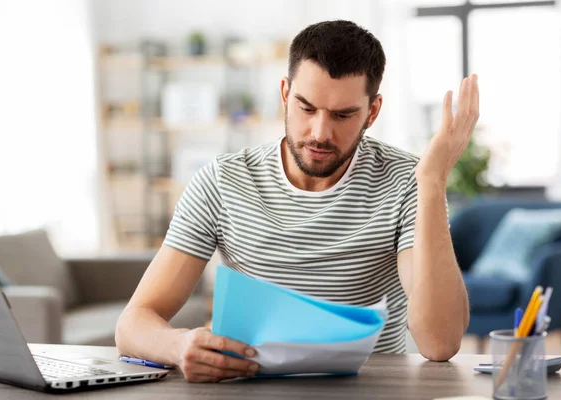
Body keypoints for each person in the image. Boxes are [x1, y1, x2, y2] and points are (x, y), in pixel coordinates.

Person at [116, 20, 477, 383]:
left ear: (372, 111)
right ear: (286, 93)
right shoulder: (222, 182)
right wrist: (177, 345)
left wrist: (432, 182)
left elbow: (439, 343)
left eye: (342, 115)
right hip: (250, 388)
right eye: (306, 108)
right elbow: (133, 323)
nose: (320, 133)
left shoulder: (407, 180)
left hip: (368, 390)